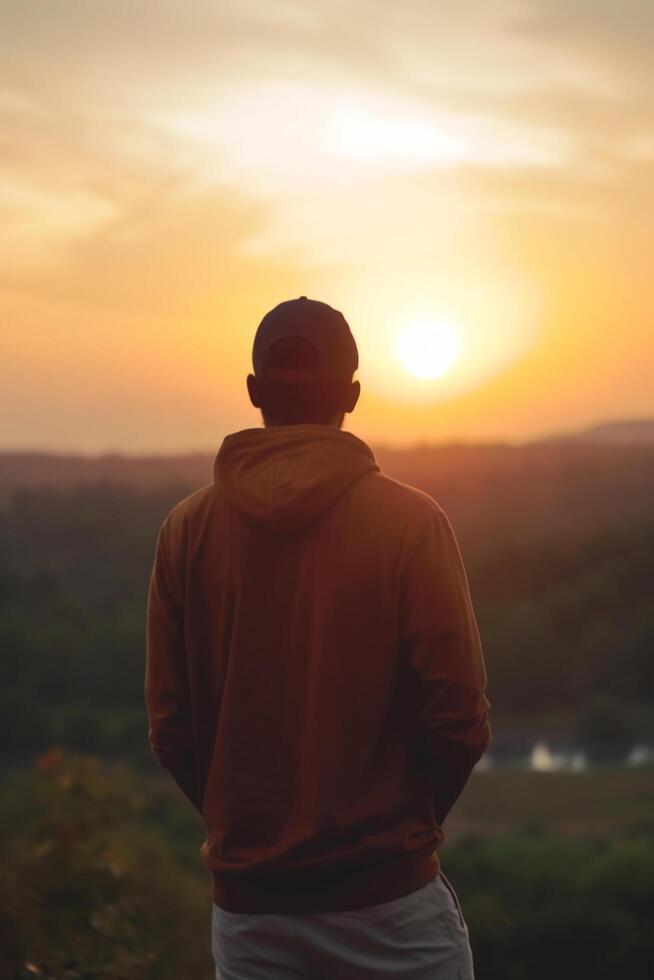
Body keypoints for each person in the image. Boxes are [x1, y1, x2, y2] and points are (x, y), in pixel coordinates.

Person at [145, 296, 492, 979]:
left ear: (253, 392)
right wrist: (395, 834)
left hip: (253, 925)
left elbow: (171, 731)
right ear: (353, 396)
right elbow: (459, 721)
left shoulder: (187, 532)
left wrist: (253, 836)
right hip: (393, 913)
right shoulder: (410, 524)